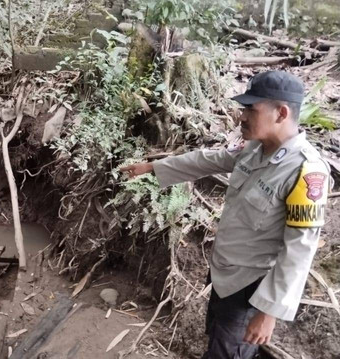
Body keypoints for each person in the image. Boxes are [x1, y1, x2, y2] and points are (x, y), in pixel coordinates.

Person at [120, 71, 331, 359]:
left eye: (250, 109)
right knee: (221, 343)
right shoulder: (256, 148)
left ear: (281, 113)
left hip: (251, 291)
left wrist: (269, 311)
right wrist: (154, 167)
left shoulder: (306, 172)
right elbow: (211, 160)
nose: (241, 116)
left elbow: (299, 250)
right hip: (225, 277)